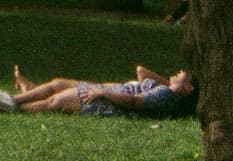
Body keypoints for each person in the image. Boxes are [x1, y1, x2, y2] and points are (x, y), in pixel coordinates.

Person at [6, 61, 196, 117]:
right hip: (110, 91)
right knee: (56, 85)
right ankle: (17, 98)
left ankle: (14, 105)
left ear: (188, 88)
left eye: (182, 75)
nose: (178, 72)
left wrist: (103, 93)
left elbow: (134, 102)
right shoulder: (167, 90)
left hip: (108, 101)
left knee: (55, 101)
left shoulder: (166, 96)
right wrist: (172, 84)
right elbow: (141, 71)